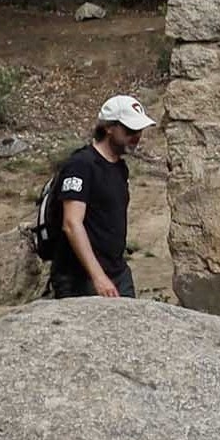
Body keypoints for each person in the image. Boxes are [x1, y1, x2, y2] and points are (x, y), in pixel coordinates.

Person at [46, 94, 153, 299]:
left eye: (139, 130)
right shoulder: (81, 165)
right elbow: (71, 223)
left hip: (117, 272)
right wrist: (98, 277)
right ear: (108, 128)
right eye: (130, 130)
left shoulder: (120, 168)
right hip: (80, 277)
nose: (137, 136)